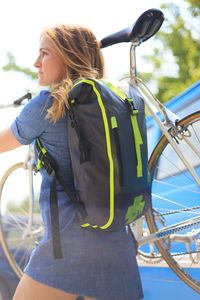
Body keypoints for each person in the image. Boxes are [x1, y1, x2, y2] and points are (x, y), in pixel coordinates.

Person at [0, 24, 144, 300]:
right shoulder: (112, 99)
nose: (36, 63)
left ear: (68, 56)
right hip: (118, 246)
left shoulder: (49, 103)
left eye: (44, 53)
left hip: (68, 247)